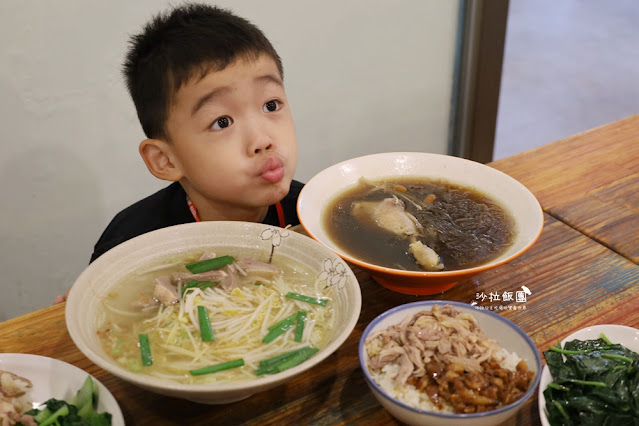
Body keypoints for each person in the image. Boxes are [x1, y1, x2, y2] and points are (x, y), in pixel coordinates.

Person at [90, 3, 302, 264]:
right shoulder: (131, 244)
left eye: (271, 105)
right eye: (222, 122)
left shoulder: (311, 214)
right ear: (165, 160)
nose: (262, 140)